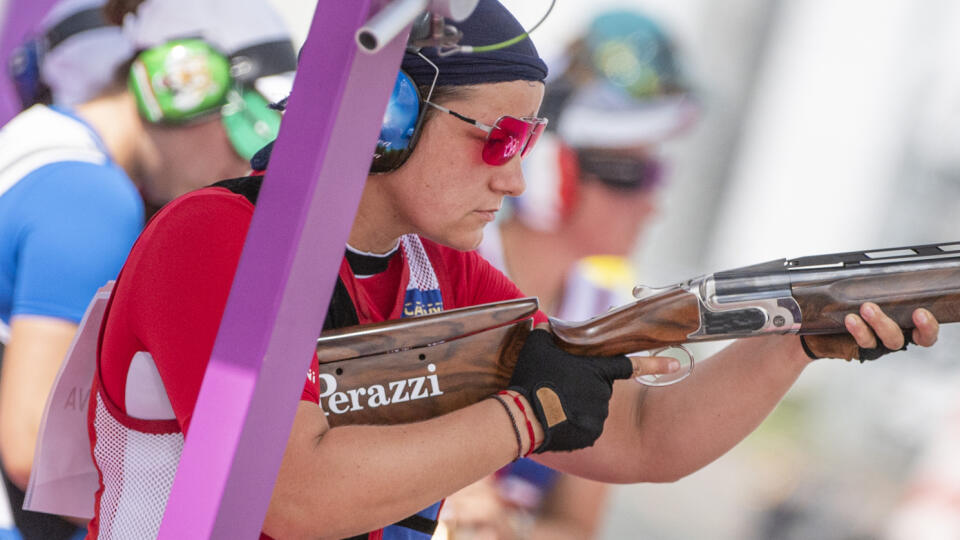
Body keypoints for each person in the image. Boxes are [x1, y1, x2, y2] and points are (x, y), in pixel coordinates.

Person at [85, 0, 940, 539]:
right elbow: (291, 501)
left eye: (529, 142)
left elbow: (647, 437)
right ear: (388, 114)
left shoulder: (438, 272)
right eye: (495, 138)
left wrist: (801, 340)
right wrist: (528, 415)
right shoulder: (220, 236)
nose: (517, 176)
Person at [0, 0, 296, 538]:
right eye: (240, 139)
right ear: (176, 89)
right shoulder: (90, 197)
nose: (240, 173)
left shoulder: (44, 146)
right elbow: (31, 446)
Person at [440, 9, 700, 539]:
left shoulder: (609, 314)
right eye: (637, 175)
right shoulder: (442, 265)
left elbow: (577, 526)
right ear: (553, 168)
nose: (654, 206)